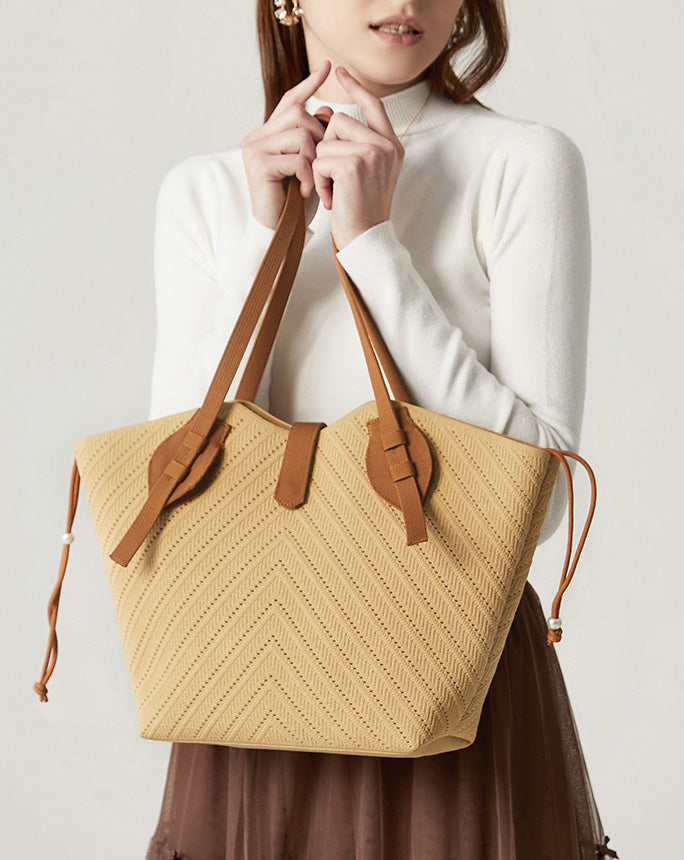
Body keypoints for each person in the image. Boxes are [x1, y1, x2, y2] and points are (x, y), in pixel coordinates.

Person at [144, 1, 619, 858]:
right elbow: (171, 494)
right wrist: (263, 236)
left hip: (448, 672)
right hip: (255, 676)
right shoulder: (208, 190)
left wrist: (370, 245)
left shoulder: (520, 163)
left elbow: (539, 500)